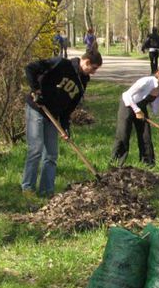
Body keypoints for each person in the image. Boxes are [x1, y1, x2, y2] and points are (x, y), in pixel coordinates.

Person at [22, 50, 103, 196]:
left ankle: (47, 191)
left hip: (53, 115)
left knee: (51, 154)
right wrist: (36, 90)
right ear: (86, 62)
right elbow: (30, 68)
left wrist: (65, 127)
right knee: (36, 149)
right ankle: (28, 188)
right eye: (94, 68)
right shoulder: (61, 64)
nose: (94, 72)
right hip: (37, 108)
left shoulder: (82, 83)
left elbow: (69, 107)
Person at [111, 63, 159, 167]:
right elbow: (127, 95)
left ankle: (148, 164)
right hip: (127, 105)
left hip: (141, 108)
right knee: (123, 135)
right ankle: (116, 163)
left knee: (145, 135)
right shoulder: (146, 81)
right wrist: (136, 110)